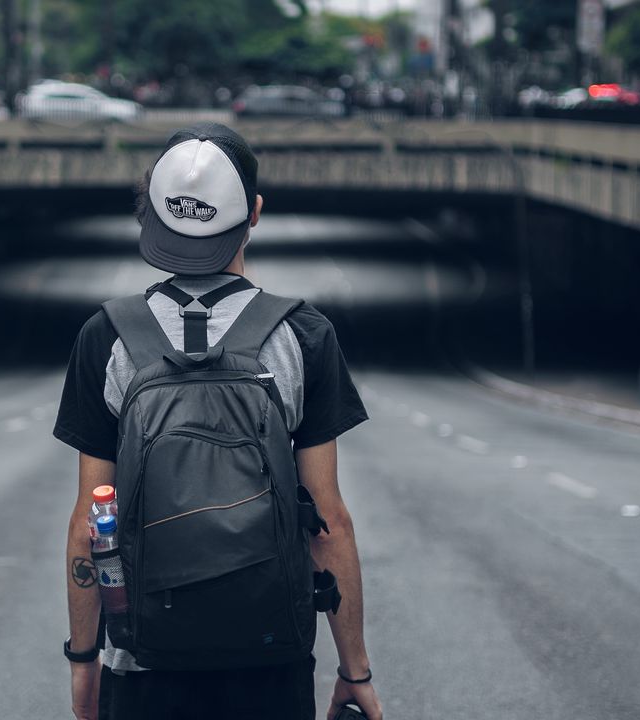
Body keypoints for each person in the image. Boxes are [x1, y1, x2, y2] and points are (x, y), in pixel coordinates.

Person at [54, 122, 383, 720]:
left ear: (151, 216)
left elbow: (91, 524)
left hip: (143, 662)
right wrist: (353, 668)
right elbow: (327, 521)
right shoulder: (303, 337)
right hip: (271, 660)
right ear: (254, 213)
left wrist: (84, 661)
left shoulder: (107, 338)